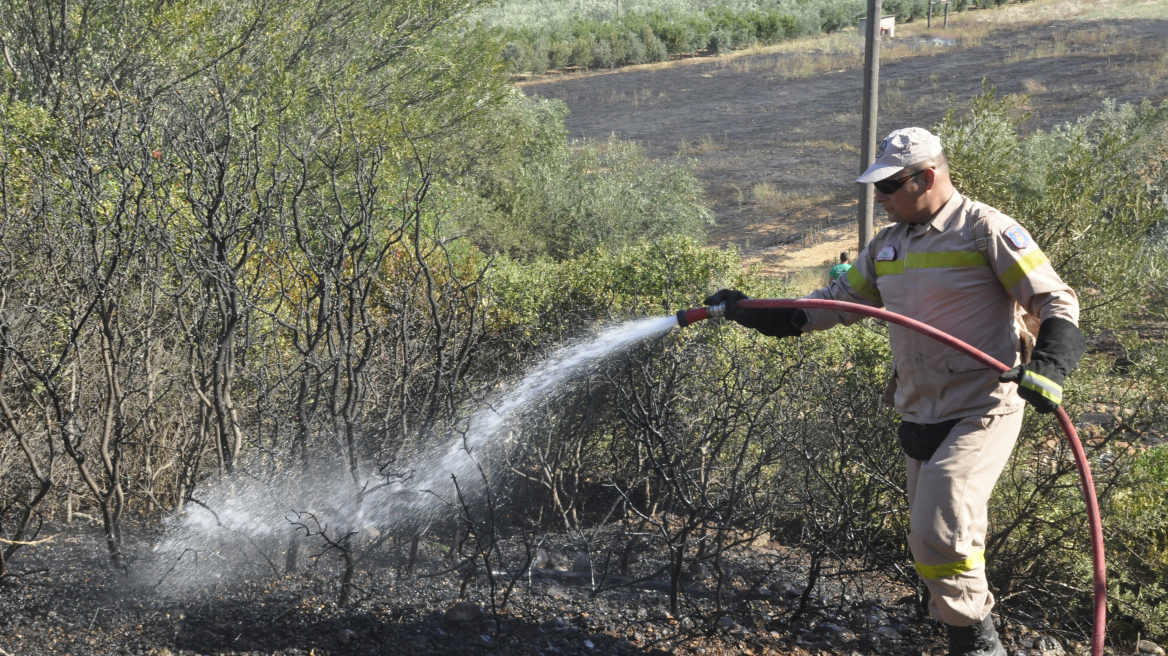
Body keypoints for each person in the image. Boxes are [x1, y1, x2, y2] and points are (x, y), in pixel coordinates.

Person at [706, 127, 1085, 656]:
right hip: (918, 412)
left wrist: (1050, 366)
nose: (879, 198)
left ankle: (979, 646)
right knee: (935, 541)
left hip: (981, 408)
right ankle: (965, 637)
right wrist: (753, 312)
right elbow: (832, 304)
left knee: (939, 533)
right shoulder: (886, 246)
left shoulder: (985, 230)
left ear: (926, 178)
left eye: (888, 186)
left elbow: (1057, 302)